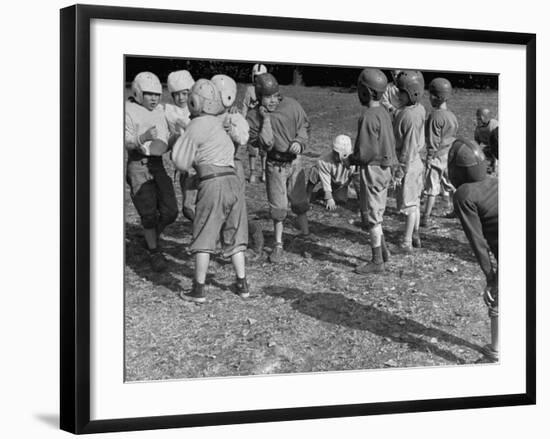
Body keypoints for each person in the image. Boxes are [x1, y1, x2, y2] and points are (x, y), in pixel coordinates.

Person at [171, 79, 249, 303]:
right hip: (233, 180)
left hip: (212, 182)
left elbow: (180, 161)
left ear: (195, 101)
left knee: (204, 232)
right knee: (233, 231)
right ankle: (242, 284)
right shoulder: (217, 122)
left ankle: (198, 289)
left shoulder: (198, 125)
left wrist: (180, 137)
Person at [246, 73, 312, 263]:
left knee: (299, 201)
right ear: (259, 96)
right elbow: (263, 143)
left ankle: (306, 233)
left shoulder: (291, 105)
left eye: (275, 95)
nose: (273, 100)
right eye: (268, 97)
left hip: (295, 162)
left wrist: (300, 141)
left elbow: (304, 125)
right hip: (275, 165)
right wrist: (265, 120)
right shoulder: (254, 116)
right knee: (279, 207)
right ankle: (278, 244)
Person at [448, 137, 498, 361]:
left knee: (498, 296)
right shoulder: (496, 181)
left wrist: (491, 278)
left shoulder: (465, 194)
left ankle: (495, 353)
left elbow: (477, 240)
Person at [125, 71, 178, 272]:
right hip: (138, 164)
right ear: (138, 93)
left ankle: (152, 234)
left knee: (171, 210)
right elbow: (126, 140)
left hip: (157, 164)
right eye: (149, 94)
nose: (154, 98)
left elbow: (163, 144)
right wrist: (143, 137)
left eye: (157, 94)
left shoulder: (160, 111)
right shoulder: (128, 109)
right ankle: (154, 249)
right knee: (147, 212)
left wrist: (176, 138)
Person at [347, 68, 398, 274]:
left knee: (372, 218)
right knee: (377, 211)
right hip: (385, 169)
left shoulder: (368, 116)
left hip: (372, 169)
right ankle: (384, 252)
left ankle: (377, 261)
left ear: (366, 92)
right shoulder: (384, 112)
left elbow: (366, 153)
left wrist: (351, 159)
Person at [211, 74, 265, 255]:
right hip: (211, 167)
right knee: (213, 207)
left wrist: (231, 128)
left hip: (231, 165)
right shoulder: (206, 116)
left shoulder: (233, 116)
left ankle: (240, 240)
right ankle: (220, 239)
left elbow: (243, 138)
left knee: (235, 208)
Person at [393, 70, 426, 252]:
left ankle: (406, 242)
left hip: (409, 164)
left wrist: (400, 171)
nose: (398, 94)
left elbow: (408, 147)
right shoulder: (419, 108)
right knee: (415, 202)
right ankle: (414, 234)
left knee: (409, 205)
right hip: (416, 163)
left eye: (401, 92)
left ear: (412, 92)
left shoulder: (407, 115)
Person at [421, 77, 459, 227]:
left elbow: (432, 141)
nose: (429, 97)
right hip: (449, 155)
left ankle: (425, 217)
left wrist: (429, 159)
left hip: (437, 157)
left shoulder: (434, 116)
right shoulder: (452, 116)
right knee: (450, 185)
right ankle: (456, 210)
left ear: (437, 97)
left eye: (431, 94)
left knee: (432, 187)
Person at [164, 70, 197, 221]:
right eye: (177, 94)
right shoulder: (170, 113)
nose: (181, 97)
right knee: (189, 206)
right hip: (184, 166)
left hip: (199, 163)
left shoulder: (198, 109)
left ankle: (206, 232)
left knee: (192, 205)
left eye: (184, 93)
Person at [306, 134, 357, 210]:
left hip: (340, 184)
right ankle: (306, 197)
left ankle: (322, 192)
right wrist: (328, 197)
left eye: (337, 153)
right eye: (334, 152)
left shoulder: (354, 163)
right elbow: (325, 178)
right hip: (329, 179)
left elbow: (358, 181)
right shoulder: (324, 160)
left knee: (340, 200)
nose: (334, 155)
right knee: (315, 171)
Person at [241, 63, 268, 183]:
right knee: (252, 151)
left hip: (263, 125)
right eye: (256, 77)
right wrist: (242, 121)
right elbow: (245, 106)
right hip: (252, 124)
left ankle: (263, 172)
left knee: (264, 151)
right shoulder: (249, 90)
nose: (258, 79)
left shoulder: (267, 91)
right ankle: (252, 172)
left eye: (261, 77)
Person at [474, 107, 499, 174]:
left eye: (479, 119)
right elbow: (476, 143)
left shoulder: (494, 126)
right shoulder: (478, 129)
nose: (477, 120)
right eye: (477, 118)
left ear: (484, 118)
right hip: (489, 148)